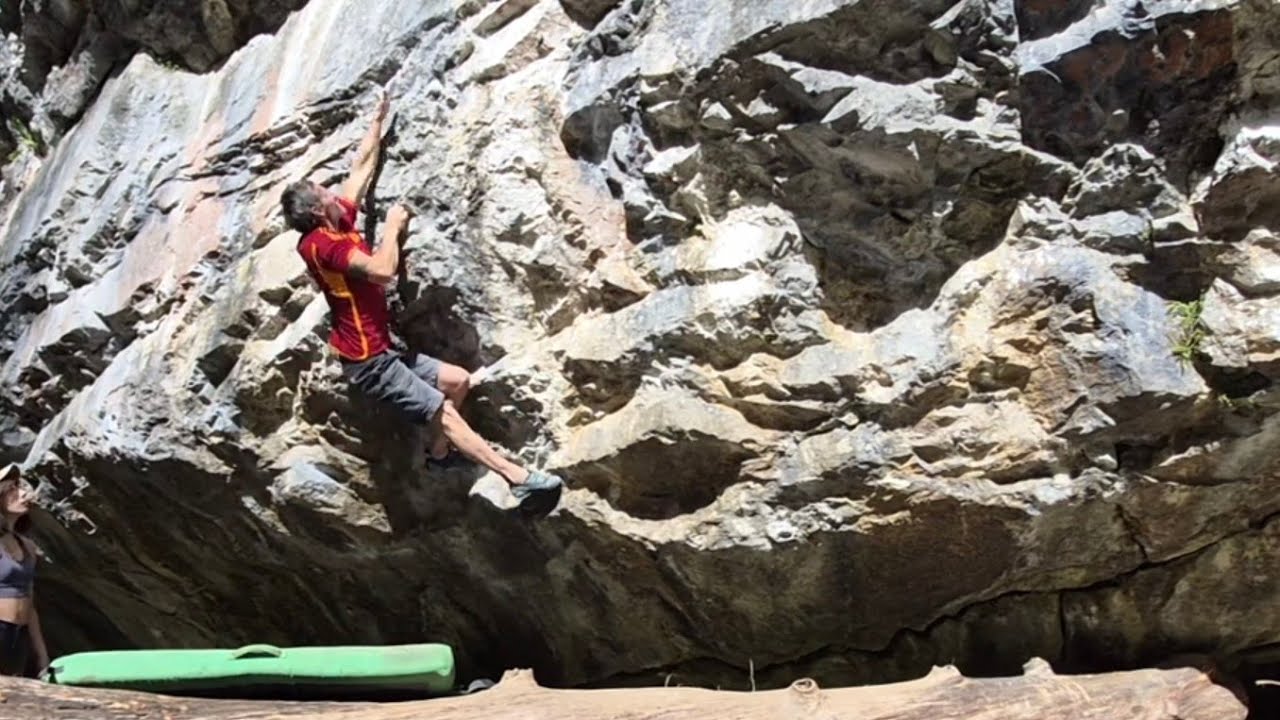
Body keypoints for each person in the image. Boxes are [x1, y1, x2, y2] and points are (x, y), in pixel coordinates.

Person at [280, 89, 562, 506]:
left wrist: (377, 121)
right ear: (321, 212)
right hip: (370, 363)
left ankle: (439, 455)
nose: (333, 193)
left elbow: (358, 172)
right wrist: (392, 227)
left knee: (458, 381)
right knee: (442, 412)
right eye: (324, 193)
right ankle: (516, 477)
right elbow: (381, 270)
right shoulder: (324, 246)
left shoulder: (336, 222)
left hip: (387, 349)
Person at [0, 463, 49, 677]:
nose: (23, 494)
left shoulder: (27, 546)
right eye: (13, 489)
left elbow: (30, 602)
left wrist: (42, 655)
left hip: (19, 636)